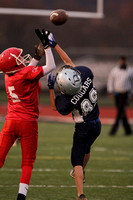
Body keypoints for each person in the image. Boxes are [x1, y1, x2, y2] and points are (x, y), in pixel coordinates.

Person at [0, 30, 56, 200]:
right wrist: (47, 47)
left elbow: (25, 71)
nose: (22, 60)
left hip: (10, 121)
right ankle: (21, 197)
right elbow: (51, 66)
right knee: (27, 162)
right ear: (14, 65)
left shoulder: (8, 77)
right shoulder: (23, 74)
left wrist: (35, 58)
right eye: (19, 59)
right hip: (28, 123)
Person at [46, 33, 101, 200]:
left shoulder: (67, 101)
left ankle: (80, 194)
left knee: (76, 159)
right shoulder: (85, 74)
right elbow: (69, 62)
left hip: (83, 127)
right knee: (87, 149)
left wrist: (50, 88)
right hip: (97, 124)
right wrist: (55, 45)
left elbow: (55, 107)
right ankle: (82, 171)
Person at [107, 56, 133, 135]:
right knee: (121, 112)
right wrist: (110, 91)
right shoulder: (114, 70)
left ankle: (113, 130)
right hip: (117, 94)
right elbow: (110, 81)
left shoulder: (130, 71)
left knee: (120, 112)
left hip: (126, 94)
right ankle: (128, 131)